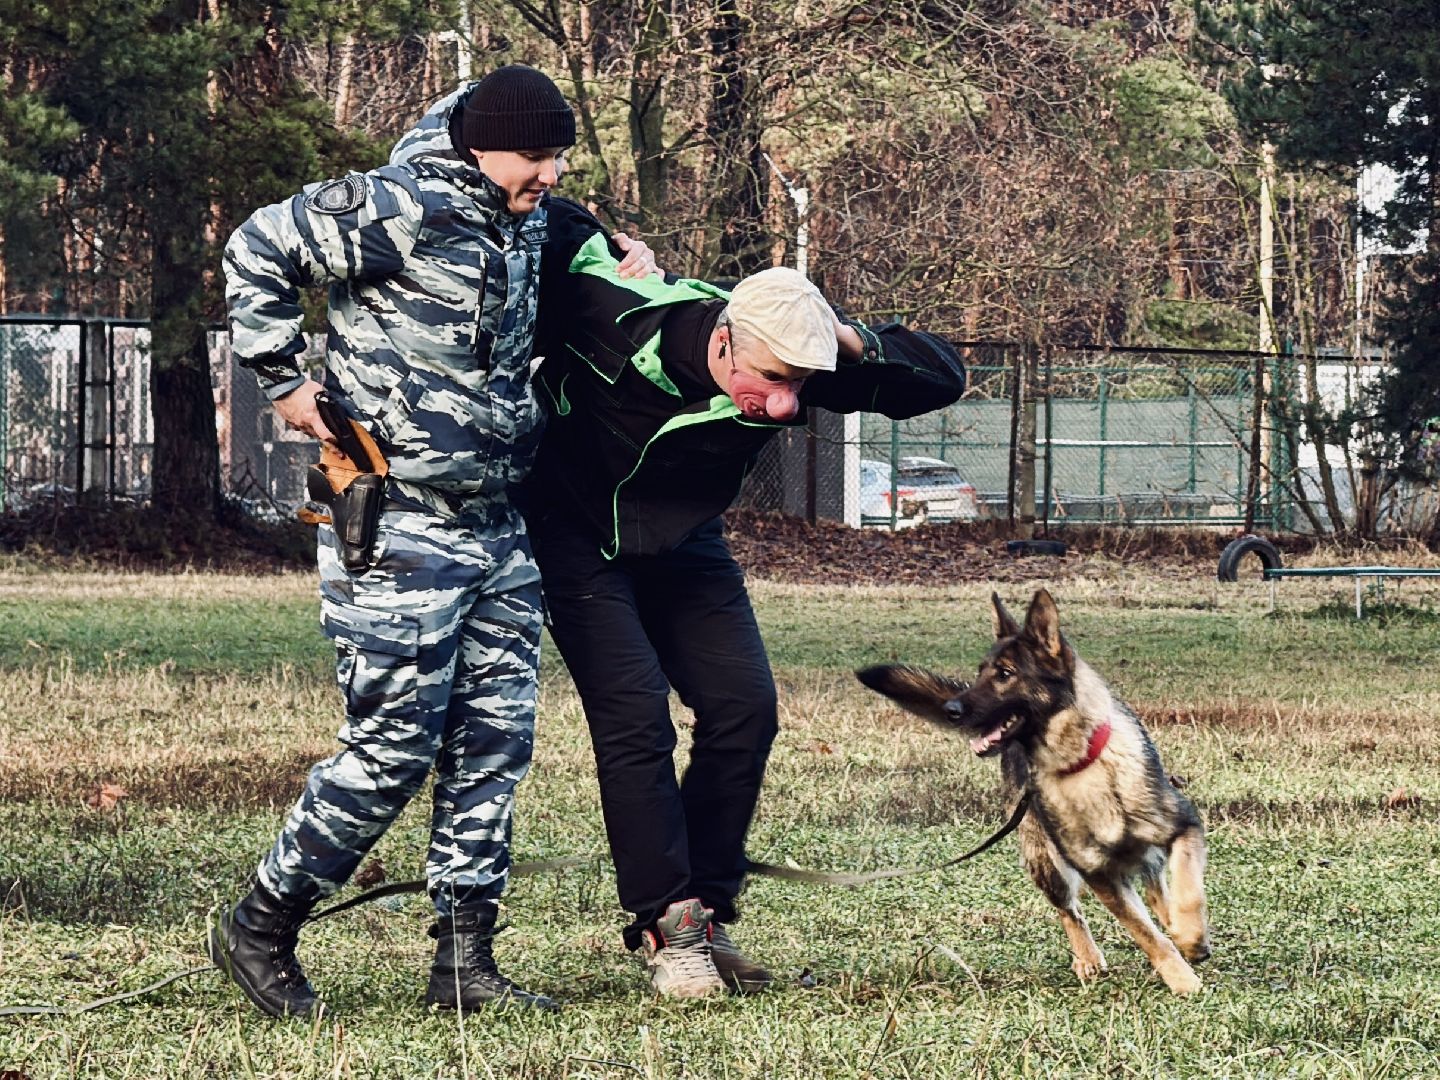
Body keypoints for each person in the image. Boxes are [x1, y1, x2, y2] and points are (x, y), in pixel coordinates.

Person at [211, 66, 653, 1019]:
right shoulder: (396, 205)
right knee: (393, 747)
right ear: (481, 143)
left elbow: (584, 265)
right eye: (534, 155)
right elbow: (256, 248)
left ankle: (464, 962)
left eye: (557, 154)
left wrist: (628, 267)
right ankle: (261, 923)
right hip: (397, 516)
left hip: (496, 520)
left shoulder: (531, 215)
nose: (549, 171)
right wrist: (283, 381)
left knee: (495, 742)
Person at [521, 201, 969, 997]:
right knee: (634, 717)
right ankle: (670, 927)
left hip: (685, 543)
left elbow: (943, 377)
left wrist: (845, 337)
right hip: (578, 538)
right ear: (723, 338)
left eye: (801, 384)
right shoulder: (620, 316)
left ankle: (709, 913)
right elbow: (543, 220)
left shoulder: (787, 346)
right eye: (769, 381)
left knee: (745, 708)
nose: (786, 405)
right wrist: (602, 237)